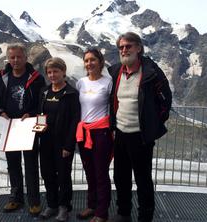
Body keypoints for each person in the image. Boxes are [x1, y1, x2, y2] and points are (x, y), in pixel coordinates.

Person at [108, 32, 172, 222]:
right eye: (121, 47)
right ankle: (123, 213)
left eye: (128, 46)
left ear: (138, 48)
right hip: (120, 133)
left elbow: (165, 101)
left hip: (141, 136)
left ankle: (145, 217)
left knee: (143, 179)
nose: (124, 50)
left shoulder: (152, 72)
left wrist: (153, 124)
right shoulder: (115, 71)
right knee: (121, 177)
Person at [0, 43, 45, 216]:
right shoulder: (1, 77)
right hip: (9, 126)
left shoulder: (36, 78)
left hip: (28, 126)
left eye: (19, 57)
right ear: (8, 58)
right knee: (12, 164)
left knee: (31, 165)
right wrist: (0, 113)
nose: (15, 60)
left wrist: (32, 113)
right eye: (12, 57)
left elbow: (42, 102)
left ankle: (34, 201)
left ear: (25, 57)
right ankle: (16, 198)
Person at [37, 57, 80, 222]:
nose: (52, 75)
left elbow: (75, 121)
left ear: (63, 72)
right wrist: (40, 129)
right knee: (47, 174)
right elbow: (40, 114)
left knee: (63, 176)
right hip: (46, 142)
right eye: (49, 72)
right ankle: (51, 205)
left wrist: (69, 145)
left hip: (63, 143)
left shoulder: (71, 93)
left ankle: (64, 207)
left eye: (56, 71)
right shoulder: (44, 92)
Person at [75, 48, 113, 222]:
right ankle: (91, 206)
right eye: (86, 60)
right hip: (84, 133)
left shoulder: (108, 82)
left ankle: (101, 212)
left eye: (93, 60)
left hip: (101, 132)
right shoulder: (81, 83)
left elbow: (113, 107)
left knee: (101, 173)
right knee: (89, 171)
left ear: (100, 62)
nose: (89, 63)